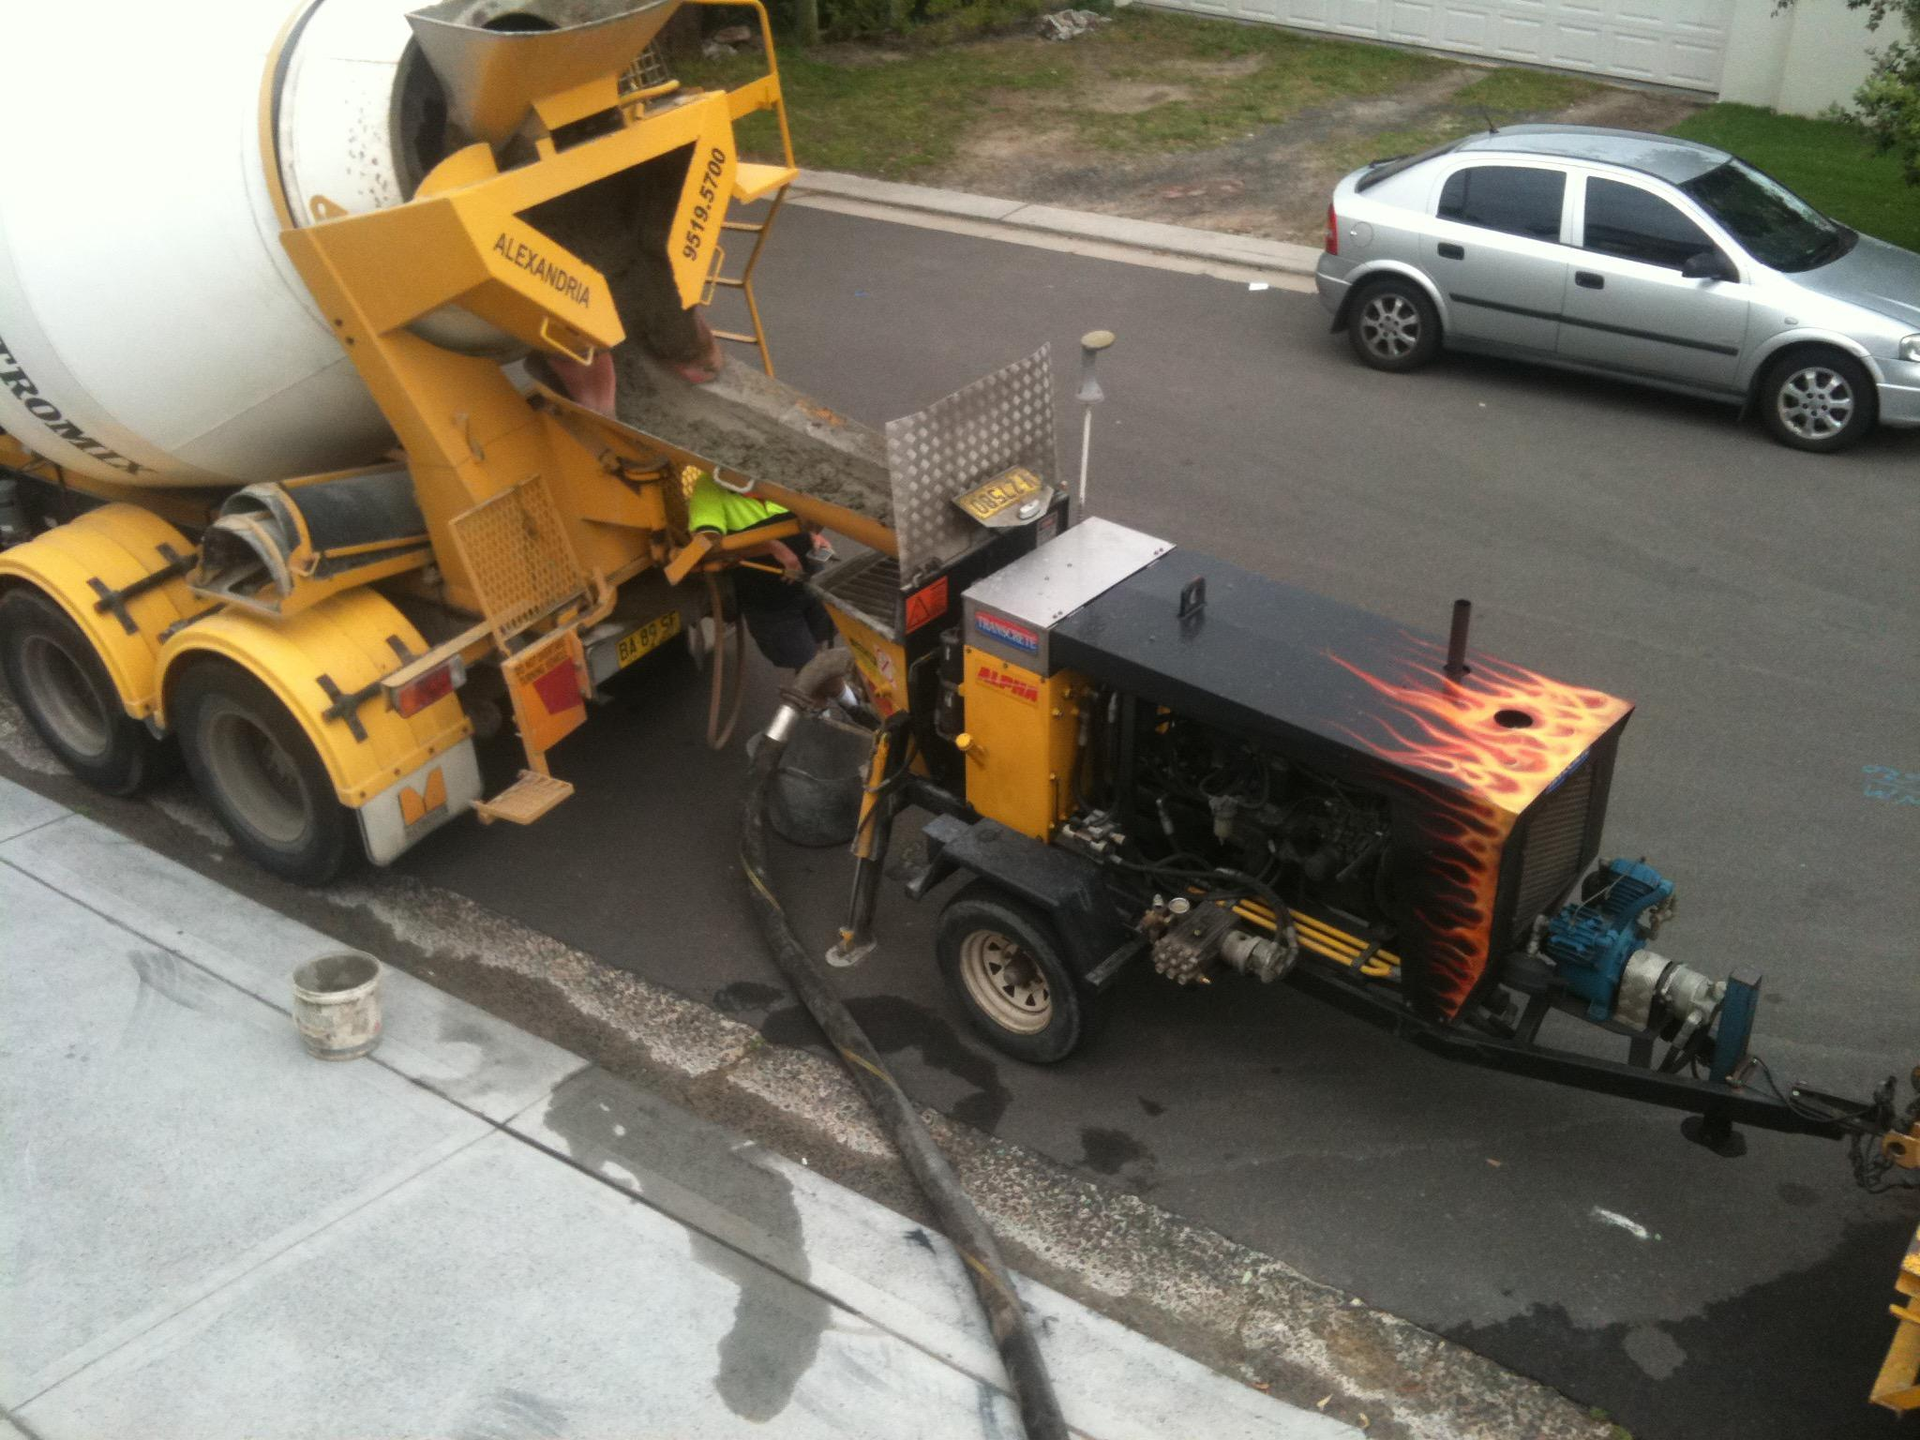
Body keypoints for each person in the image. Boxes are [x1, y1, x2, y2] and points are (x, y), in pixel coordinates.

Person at [683, 468, 835, 671]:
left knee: (820, 653)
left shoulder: (777, 469)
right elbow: (708, 546)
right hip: (770, 603)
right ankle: (830, 698)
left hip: (810, 585)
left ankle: (844, 700)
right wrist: (771, 547)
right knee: (809, 666)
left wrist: (812, 535)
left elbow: (808, 513)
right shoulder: (710, 487)